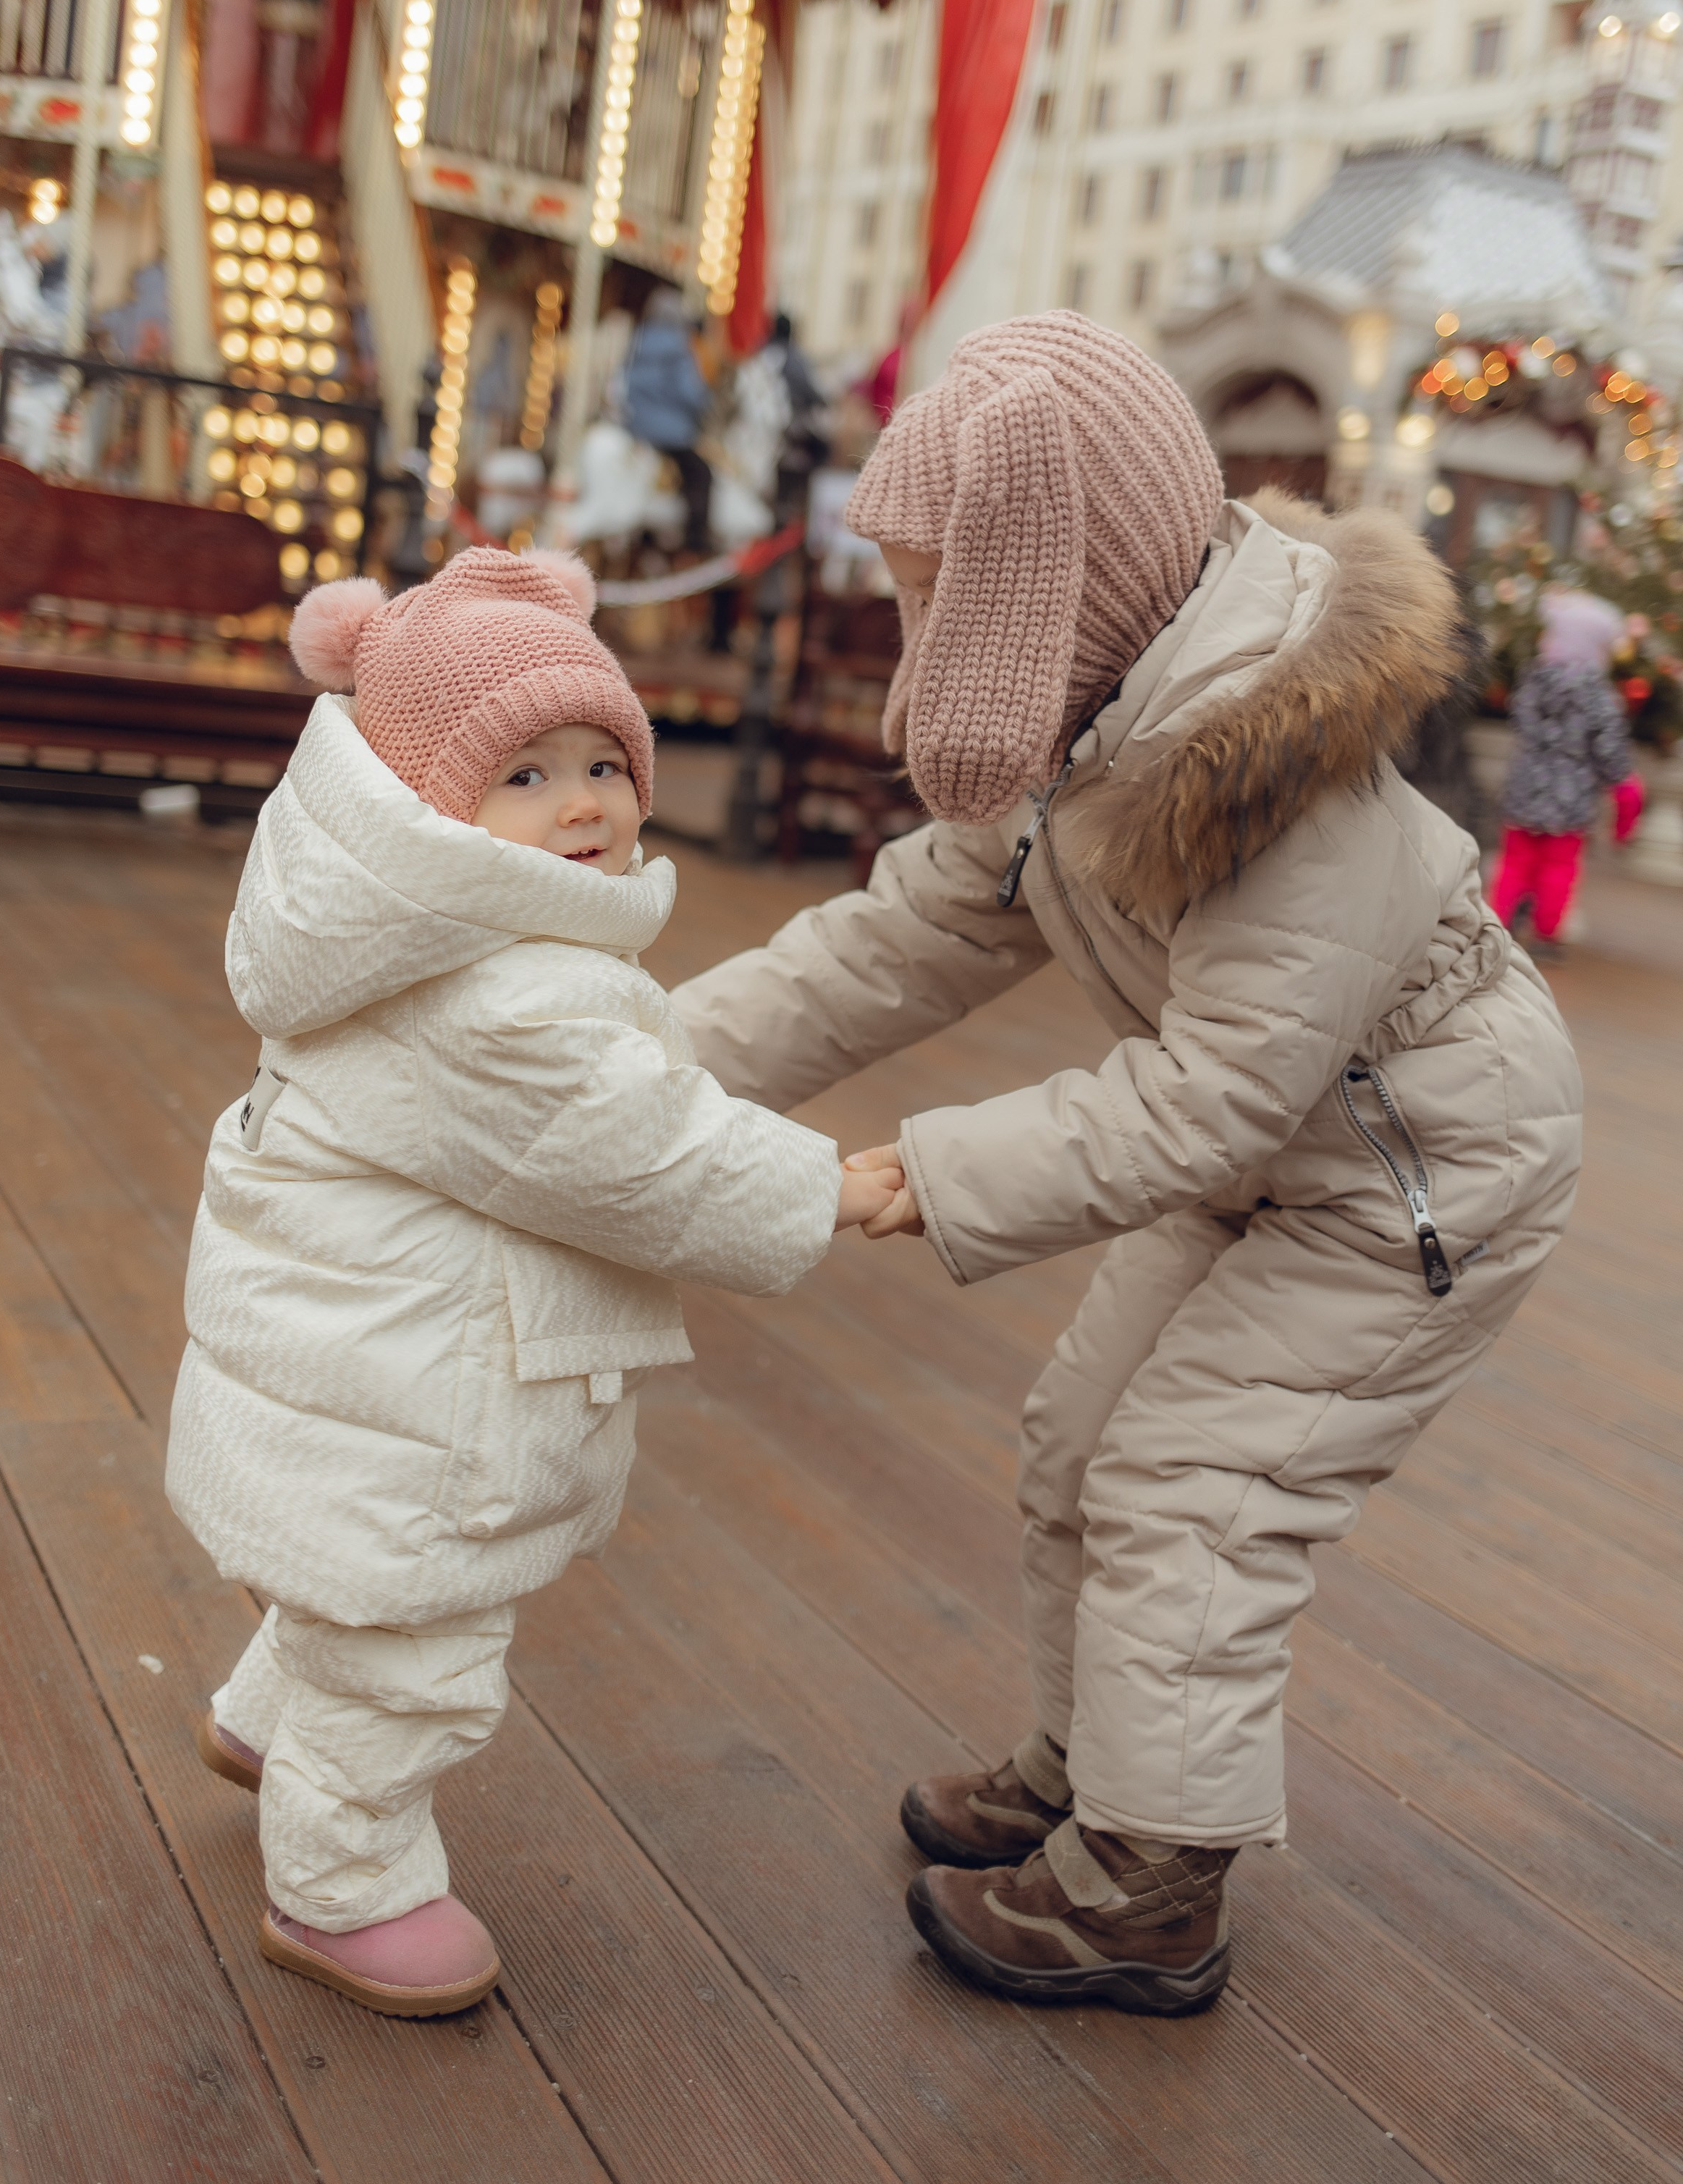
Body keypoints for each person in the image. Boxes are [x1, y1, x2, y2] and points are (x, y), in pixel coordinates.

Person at [671, 312, 1582, 2017]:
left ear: (1052, 586)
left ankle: (1148, 1883)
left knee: (1193, 1482)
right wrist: (635, 1069)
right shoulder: (1077, 710)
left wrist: (920, 1174)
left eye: (939, 596)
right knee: (1077, 1438)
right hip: (1280, 1148)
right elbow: (895, 940)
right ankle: (1090, 1768)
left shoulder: (1270, 763)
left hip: (1413, 1175)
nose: (916, 638)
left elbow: (1217, 1092)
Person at [166, 547, 899, 2019]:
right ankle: (343, 1878)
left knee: (361, 1584)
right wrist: (813, 1186)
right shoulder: (494, 993)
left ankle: (268, 1718)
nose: (583, 806)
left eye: (604, 766)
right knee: (421, 1634)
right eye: (524, 776)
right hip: (424, 1399)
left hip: (352, 1360)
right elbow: (639, 1149)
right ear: (424, 800)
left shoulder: (398, 930)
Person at [1488, 586, 1641, 961]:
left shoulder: (1532, 682)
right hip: (1570, 799)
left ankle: (1497, 924)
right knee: (1559, 868)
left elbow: (1522, 721)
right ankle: (1546, 935)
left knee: (1514, 862)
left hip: (1525, 790)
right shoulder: (1600, 697)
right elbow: (1609, 749)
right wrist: (1621, 782)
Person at [622, 289, 713, 548]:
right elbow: (689, 391)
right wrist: (705, 402)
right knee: (701, 475)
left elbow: (626, 385)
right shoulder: (679, 346)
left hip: (637, 426)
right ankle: (695, 541)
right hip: (670, 432)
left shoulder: (639, 339)